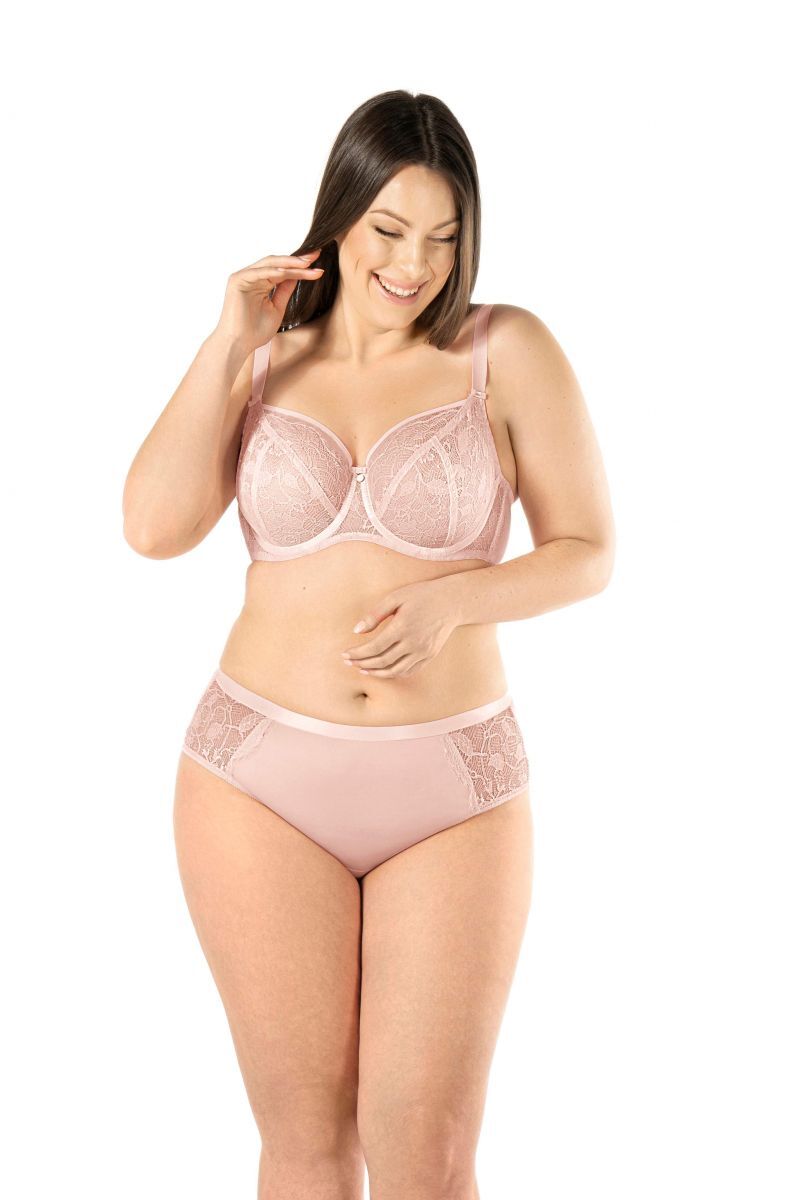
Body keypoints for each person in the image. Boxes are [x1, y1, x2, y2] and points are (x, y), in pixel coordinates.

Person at [123, 89, 614, 1200]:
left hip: (452, 786)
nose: (414, 265)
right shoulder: (264, 359)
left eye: (443, 237)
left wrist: (457, 602)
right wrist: (226, 344)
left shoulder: (504, 348)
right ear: (339, 216)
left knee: (427, 1154)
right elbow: (152, 528)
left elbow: (587, 552)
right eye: (389, 230)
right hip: (256, 779)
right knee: (304, 1142)